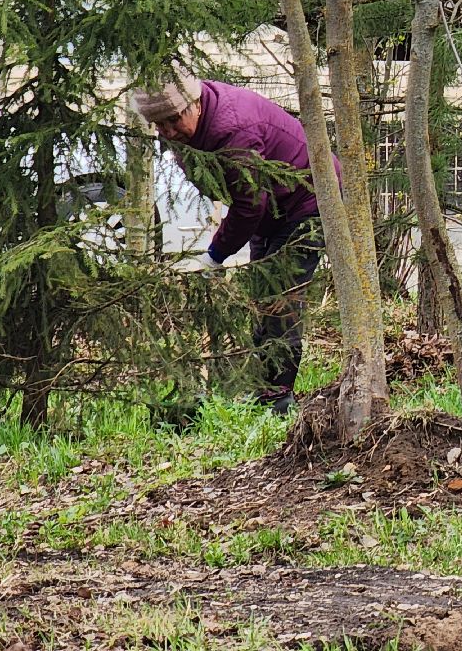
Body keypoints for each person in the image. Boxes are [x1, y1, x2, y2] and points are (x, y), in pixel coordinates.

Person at [132, 71, 338, 413]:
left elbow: (248, 203)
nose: (167, 132)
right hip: (271, 209)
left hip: (309, 201)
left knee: (280, 301)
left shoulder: (232, 129)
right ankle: (262, 390)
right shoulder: (188, 129)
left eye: (172, 121)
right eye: (158, 126)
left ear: (193, 105)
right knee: (262, 297)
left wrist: (215, 254)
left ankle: (278, 400)